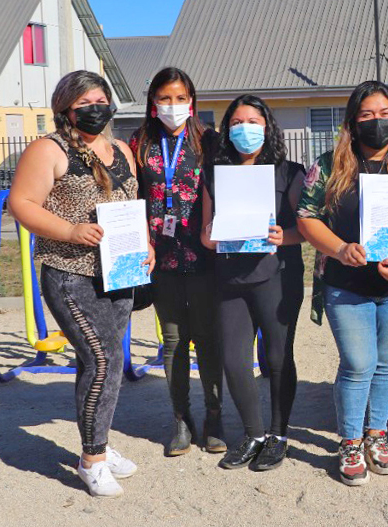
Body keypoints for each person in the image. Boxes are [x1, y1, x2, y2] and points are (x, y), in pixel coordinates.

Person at [8, 70, 150, 497]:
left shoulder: (121, 148)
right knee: (99, 360)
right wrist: (69, 231)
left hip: (121, 270)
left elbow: (130, 204)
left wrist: (147, 246)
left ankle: (101, 444)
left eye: (102, 100)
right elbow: (22, 202)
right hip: (70, 272)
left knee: (111, 363)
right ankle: (91, 461)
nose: (96, 109)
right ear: (66, 108)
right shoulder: (48, 149)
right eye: (85, 103)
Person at [297, 81, 388, 486]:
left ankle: (377, 435)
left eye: (385, 113)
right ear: (352, 123)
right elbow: (307, 217)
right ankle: (351, 441)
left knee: (387, 365)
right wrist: (340, 249)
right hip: (346, 282)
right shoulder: (327, 166)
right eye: (367, 115)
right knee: (358, 365)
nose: (377, 122)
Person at [199, 94, 307, 471]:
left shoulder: (290, 172)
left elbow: (305, 229)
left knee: (277, 357)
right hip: (230, 277)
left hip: (278, 275)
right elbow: (205, 235)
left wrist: (284, 236)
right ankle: (253, 433)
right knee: (233, 359)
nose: (245, 129)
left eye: (253, 121)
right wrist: (215, 234)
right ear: (227, 130)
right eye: (237, 122)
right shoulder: (214, 173)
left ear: (268, 126)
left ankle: (278, 435)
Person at [127, 67, 225, 457]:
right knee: (173, 340)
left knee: (206, 338)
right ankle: (180, 419)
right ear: (153, 103)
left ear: (192, 101)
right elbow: (130, 195)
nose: (173, 105)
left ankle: (214, 417)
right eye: (165, 98)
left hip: (204, 254)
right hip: (159, 256)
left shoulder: (209, 141)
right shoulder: (139, 144)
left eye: (180, 98)